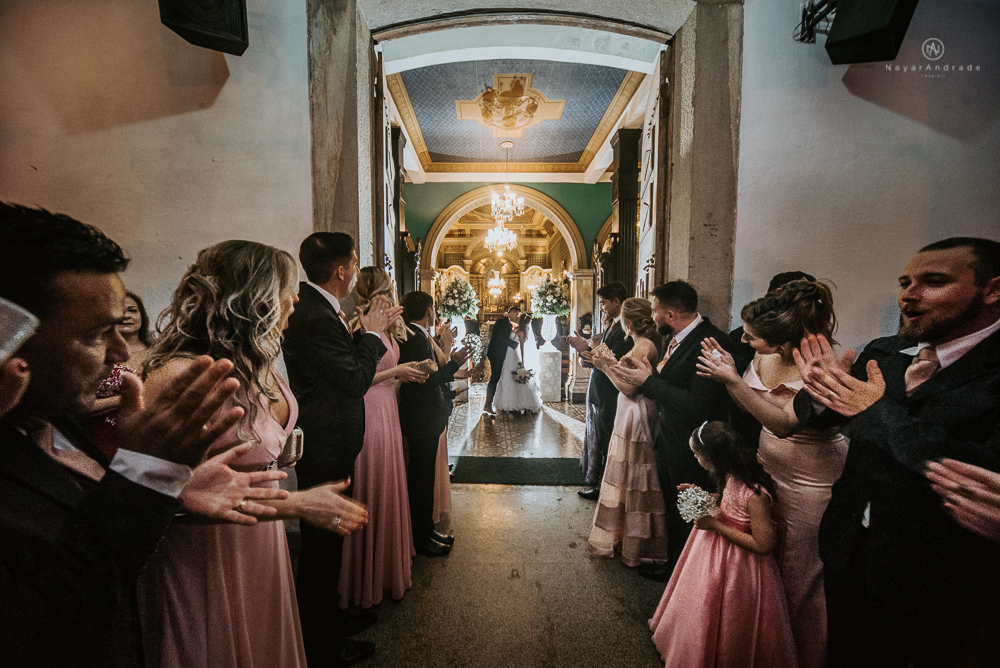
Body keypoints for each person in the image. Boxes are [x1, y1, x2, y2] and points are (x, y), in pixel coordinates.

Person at [0, 203, 256, 667]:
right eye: (96, 335)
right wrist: (144, 479)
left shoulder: (58, 412)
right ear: (10, 336)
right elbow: (37, 632)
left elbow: (87, 522)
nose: (120, 353)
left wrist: (171, 496)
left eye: (120, 327)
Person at [136, 240, 368, 668]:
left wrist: (278, 450)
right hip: (208, 552)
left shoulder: (258, 360)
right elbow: (154, 496)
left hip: (261, 539)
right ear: (252, 297)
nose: (294, 298)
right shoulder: (182, 374)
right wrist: (297, 503)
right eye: (285, 288)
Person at [790, 237, 1000, 667]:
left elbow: (976, 469)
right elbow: (822, 419)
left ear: (992, 290)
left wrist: (874, 410)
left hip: (939, 572)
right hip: (851, 546)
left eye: (934, 281)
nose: (909, 294)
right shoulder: (884, 352)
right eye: (905, 283)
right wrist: (818, 393)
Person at [696, 280, 847, 668]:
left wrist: (731, 378)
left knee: (798, 577)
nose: (743, 340)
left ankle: (800, 656)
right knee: (766, 570)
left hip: (810, 481)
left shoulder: (822, 365)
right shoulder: (764, 354)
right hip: (768, 468)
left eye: (752, 336)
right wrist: (728, 373)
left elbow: (782, 424)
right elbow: (749, 407)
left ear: (780, 340)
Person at [282, 232, 401, 667]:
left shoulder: (319, 308)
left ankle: (331, 617)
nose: (354, 271)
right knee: (321, 549)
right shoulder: (315, 315)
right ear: (342, 270)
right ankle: (321, 645)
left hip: (331, 441)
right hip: (326, 445)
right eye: (353, 263)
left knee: (329, 543)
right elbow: (353, 381)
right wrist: (371, 334)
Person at [609, 280, 743, 579]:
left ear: (670, 315)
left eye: (655, 310)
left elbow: (700, 405)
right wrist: (648, 375)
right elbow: (673, 383)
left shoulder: (710, 343)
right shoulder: (678, 338)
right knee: (676, 505)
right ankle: (675, 567)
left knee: (691, 510)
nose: (652, 316)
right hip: (671, 438)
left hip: (694, 447)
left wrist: (648, 382)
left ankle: (688, 574)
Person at [649, 421, 798, 667]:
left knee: (730, 613)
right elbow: (728, 500)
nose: (695, 459)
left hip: (741, 565)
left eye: (697, 455)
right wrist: (701, 495)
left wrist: (715, 526)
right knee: (705, 604)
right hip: (715, 553)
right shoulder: (732, 476)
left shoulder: (756, 496)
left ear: (713, 458)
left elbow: (764, 544)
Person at [339, 267, 428, 610]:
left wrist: (406, 374)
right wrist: (397, 371)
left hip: (388, 407)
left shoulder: (386, 325)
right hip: (371, 410)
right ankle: (365, 574)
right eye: (387, 288)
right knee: (373, 483)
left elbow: (386, 372)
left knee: (389, 482)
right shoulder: (359, 326)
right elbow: (358, 378)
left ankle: (387, 564)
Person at [586, 298, 669, 566]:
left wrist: (604, 366)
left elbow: (630, 388)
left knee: (634, 473)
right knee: (627, 473)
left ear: (628, 322)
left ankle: (639, 543)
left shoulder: (643, 346)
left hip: (635, 411)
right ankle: (625, 533)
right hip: (631, 410)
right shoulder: (643, 343)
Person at [398, 291, 470, 556]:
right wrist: (454, 364)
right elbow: (428, 379)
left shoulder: (417, 335)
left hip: (424, 417)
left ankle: (427, 531)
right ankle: (421, 537)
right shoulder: (416, 338)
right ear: (429, 311)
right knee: (421, 480)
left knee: (424, 478)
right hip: (422, 418)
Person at [567, 281, 633, 499]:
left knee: (607, 442)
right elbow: (602, 356)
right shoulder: (613, 325)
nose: (602, 307)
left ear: (617, 301)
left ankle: (605, 489)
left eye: (604, 302)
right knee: (603, 440)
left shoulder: (624, 329)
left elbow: (613, 360)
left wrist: (584, 348)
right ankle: (602, 484)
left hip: (610, 392)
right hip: (601, 390)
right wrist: (585, 350)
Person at [86, 291, 154, 456]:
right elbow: (79, 406)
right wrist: (123, 399)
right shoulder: (99, 356)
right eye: (120, 311)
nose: (126, 315)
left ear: (142, 316)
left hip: (145, 438)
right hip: (98, 440)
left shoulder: (159, 354)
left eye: (132, 310)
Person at [493, 312, 542, 414]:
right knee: (505, 377)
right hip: (506, 356)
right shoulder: (515, 328)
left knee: (513, 379)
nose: (517, 318)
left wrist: (523, 364)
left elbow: (522, 348)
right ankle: (505, 401)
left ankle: (517, 402)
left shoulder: (521, 332)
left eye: (519, 317)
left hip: (514, 356)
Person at [482, 305, 521, 416]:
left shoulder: (505, 322)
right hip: (496, 353)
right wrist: (516, 344)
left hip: (497, 352)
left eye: (518, 315)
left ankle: (490, 403)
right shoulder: (503, 322)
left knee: (497, 377)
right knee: (495, 378)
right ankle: (488, 404)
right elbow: (502, 338)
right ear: (511, 313)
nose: (517, 316)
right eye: (516, 314)